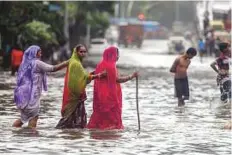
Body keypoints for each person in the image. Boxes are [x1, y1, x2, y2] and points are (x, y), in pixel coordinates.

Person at [13, 45, 69, 128]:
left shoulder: (25, 64)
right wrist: (68, 62)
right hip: (32, 96)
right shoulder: (37, 63)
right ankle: (31, 137)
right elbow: (53, 68)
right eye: (39, 51)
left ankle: (14, 132)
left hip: (24, 96)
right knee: (34, 116)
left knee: (23, 118)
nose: (41, 53)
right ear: (34, 53)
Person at [87, 46, 138, 130]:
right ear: (112, 55)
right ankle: (110, 138)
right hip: (110, 97)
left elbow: (94, 75)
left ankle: (99, 135)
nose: (118, 57)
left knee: (100, 119)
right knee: (112, 123)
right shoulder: (111, 66)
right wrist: (131, 76)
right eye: (117, 54)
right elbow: (118, 80)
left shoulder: (100, 65)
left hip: (100, 96)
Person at [56, 44, 107, 129]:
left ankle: (72, 135)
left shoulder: (74, 61)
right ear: (76, 52)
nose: (83, 53)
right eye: (81, 52)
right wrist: (99, 75)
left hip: (75, 95)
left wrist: (93, 73)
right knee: (68, 119)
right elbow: (83, 78)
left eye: (84, 52)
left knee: (74, 119)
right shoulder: (76, 64)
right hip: (75, 96)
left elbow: (82, 76)